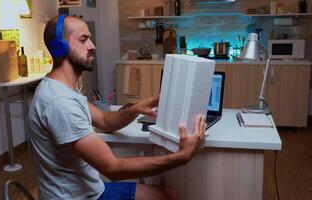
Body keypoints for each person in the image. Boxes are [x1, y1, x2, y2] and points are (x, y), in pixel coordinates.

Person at [28, 15, 206, 200]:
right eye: (83, 39)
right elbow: (113, 168)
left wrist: (136, 108)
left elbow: (104, 121)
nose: (92, 45)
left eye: (90, 38)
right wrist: (182, 157)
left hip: (88, 190)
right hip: (79, 198)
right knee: (169, 196)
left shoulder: (62, 90)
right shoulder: (59, 103)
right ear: (59, 48)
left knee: (170, 195)